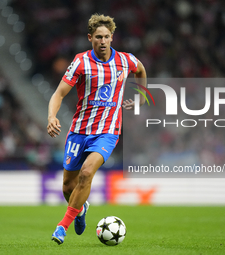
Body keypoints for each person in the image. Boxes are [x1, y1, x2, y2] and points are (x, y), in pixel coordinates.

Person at [47, 13, 147, 245]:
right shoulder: (81, 62)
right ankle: (80, 210)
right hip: (79, 130)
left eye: (107, 37)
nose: (103, 41)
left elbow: (141, 70)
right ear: (90, 38)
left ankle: (62, 227)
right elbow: (59, 93)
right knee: (68, 187)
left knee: (86, 173)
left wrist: (141, 99)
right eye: (98, 37)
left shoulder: (125, 60)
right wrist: (51, 116)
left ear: (112, 38)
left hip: (108, 131)